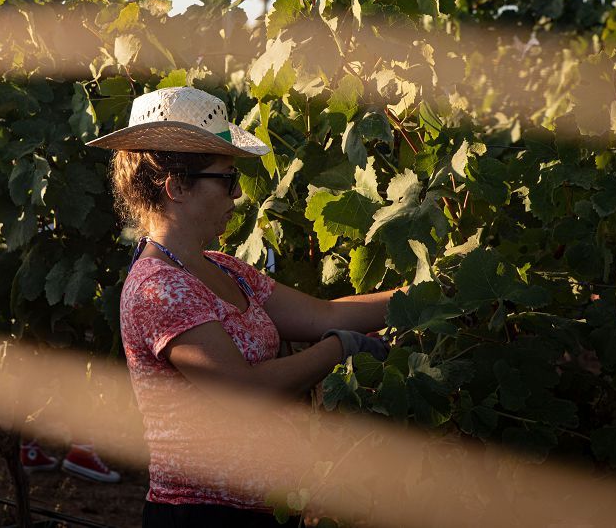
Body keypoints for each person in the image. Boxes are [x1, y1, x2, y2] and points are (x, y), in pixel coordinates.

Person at [86, 86, 402, 527]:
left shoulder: (226, 269)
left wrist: (424, 297)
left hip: (267, 508)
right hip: (203, 515)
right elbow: (243, 390)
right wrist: (338, 349)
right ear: (177, 186)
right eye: (228, 178)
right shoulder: (157, 289)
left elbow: (326, 314)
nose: (237, 194)